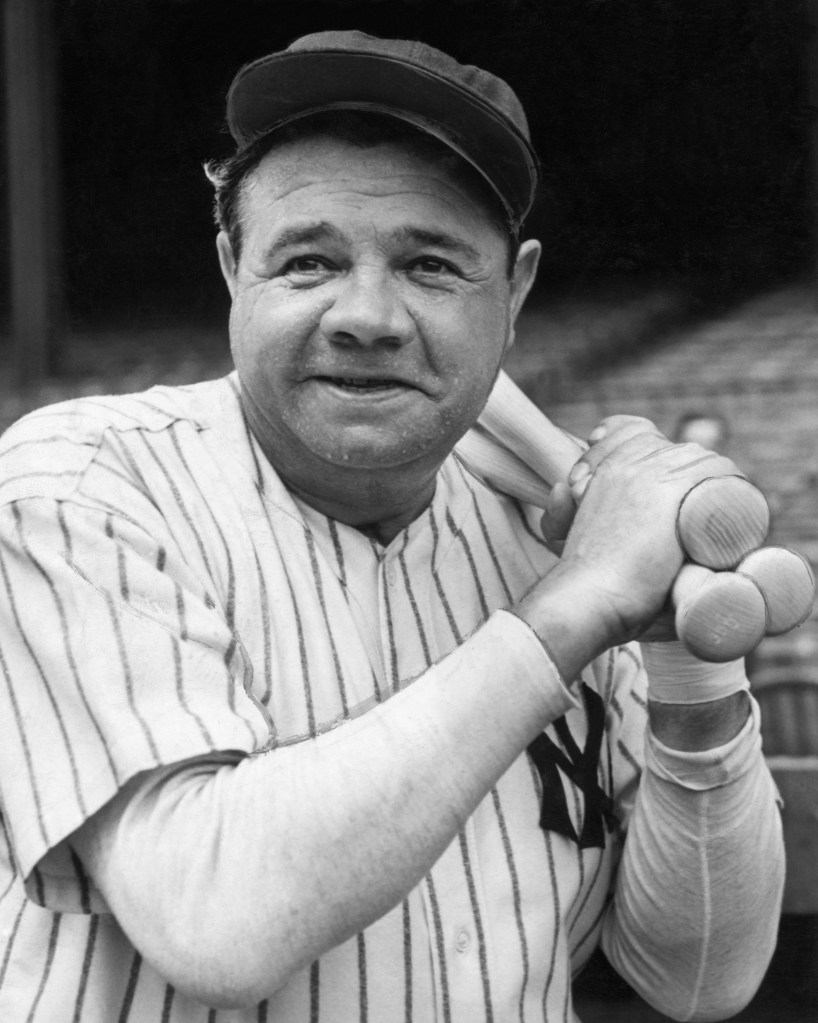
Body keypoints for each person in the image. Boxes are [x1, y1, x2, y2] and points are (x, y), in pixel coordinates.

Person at [0, 30, 783, 1023]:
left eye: (429, 265)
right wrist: (575, 605)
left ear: (516, 294)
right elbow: (214, 921)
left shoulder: (554, 533)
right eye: (309, 260)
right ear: (233, 270)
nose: (365, 314)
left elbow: (698, 976)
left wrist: (688, 663)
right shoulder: (82, 484)